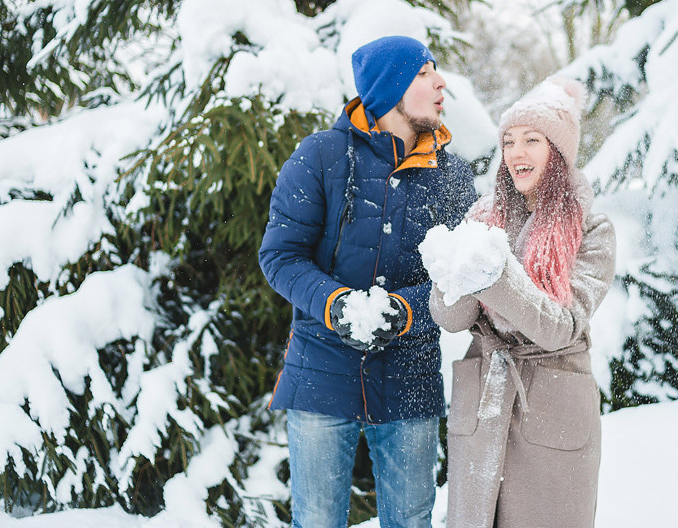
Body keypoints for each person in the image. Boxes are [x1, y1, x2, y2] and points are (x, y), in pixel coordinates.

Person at [259, 35, 477, 528]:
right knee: (316, 521)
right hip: (320, 370)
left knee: (410, 522)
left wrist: (406, 312)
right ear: (388, 89)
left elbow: (464, 277)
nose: (441, 82)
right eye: (423, 73)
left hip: (410, 378)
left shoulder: (452, 177)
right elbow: (280, 255)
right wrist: (336, 303)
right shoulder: (320, 156)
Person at [424, 76, 617, 528]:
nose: (516, 152)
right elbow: (451, 319)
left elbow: (560, 327)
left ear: (558, 152)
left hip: (550, 404)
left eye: (532, 140)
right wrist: (450, 273)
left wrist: (494, 276)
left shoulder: (593, 228)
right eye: (509, 140)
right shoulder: (482, 217)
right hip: (485, 396)